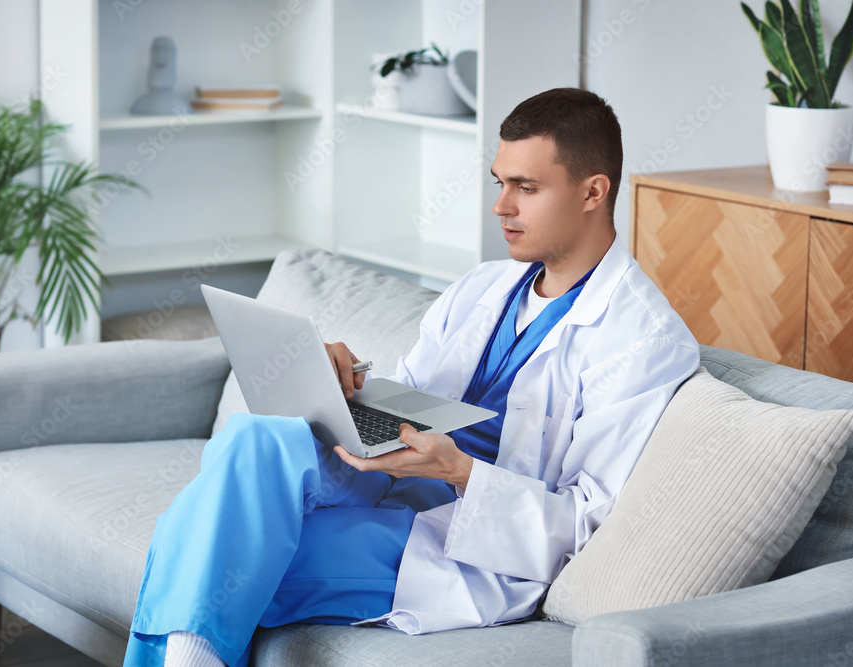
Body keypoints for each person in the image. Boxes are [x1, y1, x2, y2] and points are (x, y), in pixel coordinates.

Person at [123, 88, 701, 666]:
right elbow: (414, 395)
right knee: (253, 438)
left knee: (205, 549)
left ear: (593, 192)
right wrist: (347, 384)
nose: (501, 207)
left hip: (473, 543)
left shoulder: (642, 339)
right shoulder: (484, 286)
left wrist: (460, 470)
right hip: (393, 478)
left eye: (526, 188)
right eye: (499, 183)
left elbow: (588, 526)